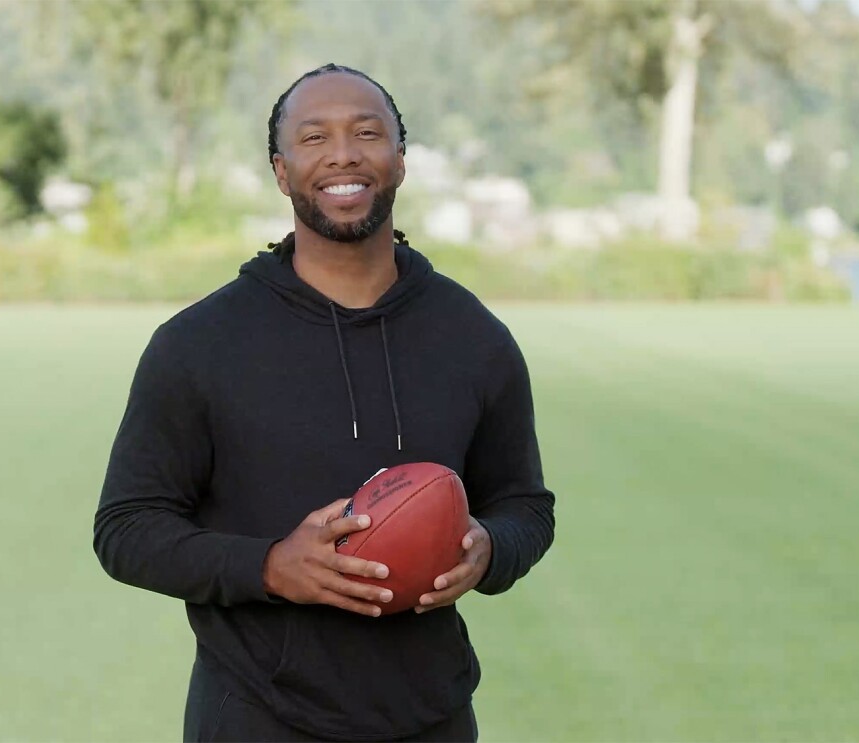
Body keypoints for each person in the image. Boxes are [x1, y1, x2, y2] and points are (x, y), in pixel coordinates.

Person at [93, 63, 555, 742]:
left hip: (432, 717)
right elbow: (127, 528)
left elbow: (525, 506)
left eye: (367, 133)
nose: (343, 153)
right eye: (314, 137)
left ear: (400, 159)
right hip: (255, 717)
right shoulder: (199, 343)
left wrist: (489, 548)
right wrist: (271, 566)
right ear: (282, 171)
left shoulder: (473, 336)